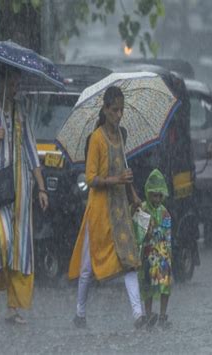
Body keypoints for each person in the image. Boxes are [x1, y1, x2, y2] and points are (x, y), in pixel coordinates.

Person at [0, 63, 48, 324]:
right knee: (0, 241)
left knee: (20, 247)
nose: (16, 88)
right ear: (1, 80)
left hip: (21, 187)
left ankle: (14, 307)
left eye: (18, 84)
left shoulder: (20, 110)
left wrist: (41, 187)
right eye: (13, 83)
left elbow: (31, 150)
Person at [68, 86, 145, 329]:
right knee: (88, 267)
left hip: (120, 208)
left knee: (129, 260)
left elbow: (124, 171)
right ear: (105, 109)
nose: (119, 115)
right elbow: (91, 178)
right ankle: (80, 313)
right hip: (100, 211)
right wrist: (117, 180)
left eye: (121, 110)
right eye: (114, 110)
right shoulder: (97, 139)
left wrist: (133, 193)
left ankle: (138, 315)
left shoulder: (121, 136)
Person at [138, 169, 173, 329]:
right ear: (148, 193)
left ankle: (163, 315)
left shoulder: (164, 212)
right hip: (147, 254)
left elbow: (167, 234)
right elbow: (139, 233)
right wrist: (148, 231)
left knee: (164, 284)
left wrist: (158, 233)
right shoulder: (143, 210)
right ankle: (148, 313)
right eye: (154, 195)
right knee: (148, 285)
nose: (157, 199)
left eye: (160, 196)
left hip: (162, 253)